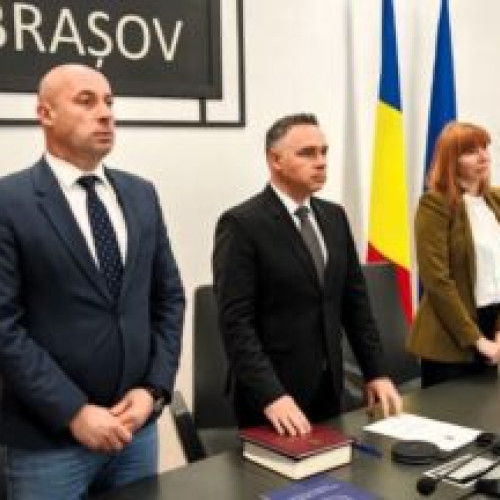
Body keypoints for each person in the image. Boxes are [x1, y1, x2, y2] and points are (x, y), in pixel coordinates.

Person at [0, 64, 185, 499]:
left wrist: (153, 390)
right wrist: (74, 412)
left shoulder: (141, 194)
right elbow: (4, 325)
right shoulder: (9, 201)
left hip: (135, 431)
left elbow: (168, 299)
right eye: (86, 101)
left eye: (109, 102)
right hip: (47, 444)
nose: (105, 113)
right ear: (45, 113)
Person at [212, 113, 401, 436]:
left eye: (324, 152)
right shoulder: (242, 224)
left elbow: (355, 304)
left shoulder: (334, 216)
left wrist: (376, 372)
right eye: (307, 153)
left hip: (331, 388)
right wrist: (272, 395)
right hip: (272, 399)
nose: (321, 162)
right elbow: (236, 324)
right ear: (275, 160)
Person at [408, 121, 500, 388]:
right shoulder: (435, 204)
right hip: (449, 338)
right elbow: (437, 280)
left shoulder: (495, 200)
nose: (483, 156)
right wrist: (477, 340)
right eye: (471, 151)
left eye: (484, 147)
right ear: (451, 161)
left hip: (492, 326)